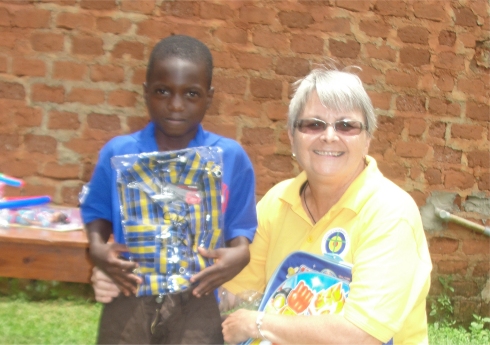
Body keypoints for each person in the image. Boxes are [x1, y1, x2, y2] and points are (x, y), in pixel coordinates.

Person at [221, 66, 432, 344]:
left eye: (346, 125)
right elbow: (235, 290)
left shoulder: (390, 213)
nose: (329, 136)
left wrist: (257, 323)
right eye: (313, 124)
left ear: (367, 139)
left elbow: (361, 336)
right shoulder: (279, 200)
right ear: (291, 136)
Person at [80, 34, 257, 344]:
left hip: (197, 296)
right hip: (131, 289)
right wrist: (96, 248)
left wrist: (240, 254)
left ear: (209, 97)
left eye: (191, 93)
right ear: (146, 92)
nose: (176, 105)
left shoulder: (230, 157)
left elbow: (240, 227)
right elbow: (97, 210)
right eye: (163, 91)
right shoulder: (120, 153)